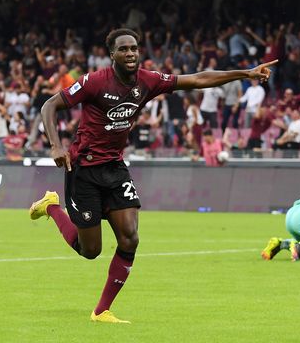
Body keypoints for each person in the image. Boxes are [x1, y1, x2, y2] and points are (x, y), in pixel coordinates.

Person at [29, 28, 276, 323]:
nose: (131, 53)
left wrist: (245, 73)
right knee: (89, 250)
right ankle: (52, 207)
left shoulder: (148, 80)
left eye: (134, 48)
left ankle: (102, 311)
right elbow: (50, 105)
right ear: (112, 55)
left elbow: (197, 79)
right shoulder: (94, 82)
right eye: (124, 49)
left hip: (115, 168)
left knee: (130, 238)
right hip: (84, 168)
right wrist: (56, 145)